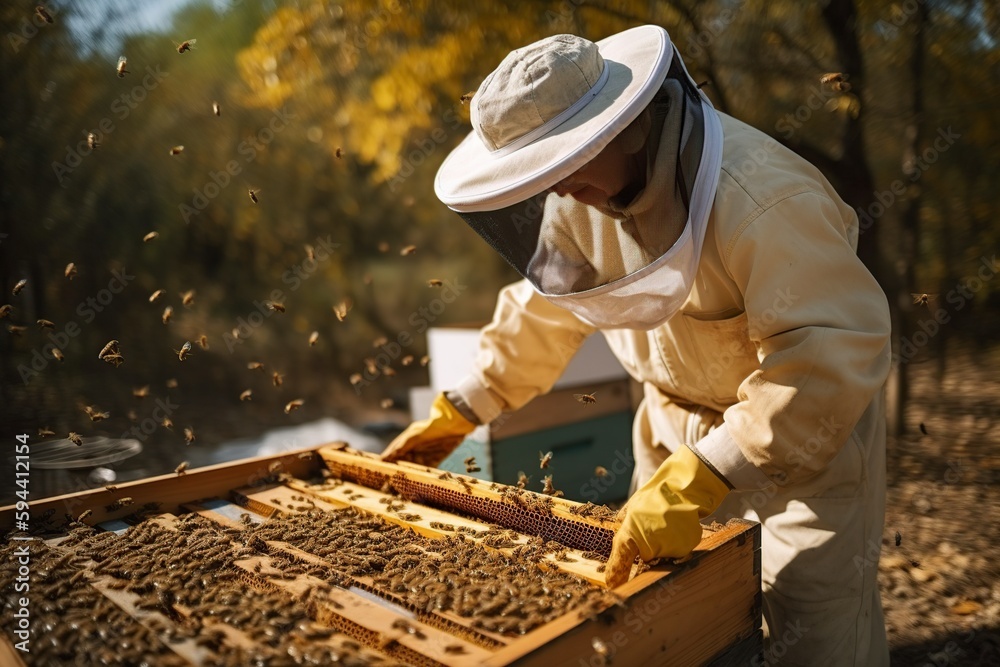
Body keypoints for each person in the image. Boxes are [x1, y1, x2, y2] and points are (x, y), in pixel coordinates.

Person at [381, 25, 891, 666]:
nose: (557, 189)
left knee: (816, 634)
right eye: (537, 174)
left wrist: (709, 471)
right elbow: (547, 309)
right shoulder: (578, 200)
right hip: (671, 439)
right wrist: (466, 402)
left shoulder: (763, 195)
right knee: (678, 630)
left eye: (563, 161)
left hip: (802, 445)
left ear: (623, 126)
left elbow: (828, 353)